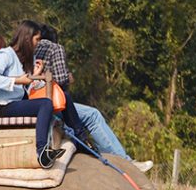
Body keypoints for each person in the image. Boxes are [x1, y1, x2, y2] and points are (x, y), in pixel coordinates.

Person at [36, 23, 153, 172]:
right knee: (93, 115)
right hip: (51, 103)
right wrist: (69, 77)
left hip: (33, 102)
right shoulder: (55, 48)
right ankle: (125, 162)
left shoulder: (30, 49)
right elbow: (60, 79)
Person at [0, 21, 67, 169]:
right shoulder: (5, 54)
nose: (39, 43)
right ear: (28, 38)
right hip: (6, 106)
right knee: (46, 103)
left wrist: (35, 75)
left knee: (64, 96)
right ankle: (42, 151)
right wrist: (17, 80)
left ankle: (81, 138)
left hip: (20, 102)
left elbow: (25, 89)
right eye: (37, 39)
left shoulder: (29, 58)